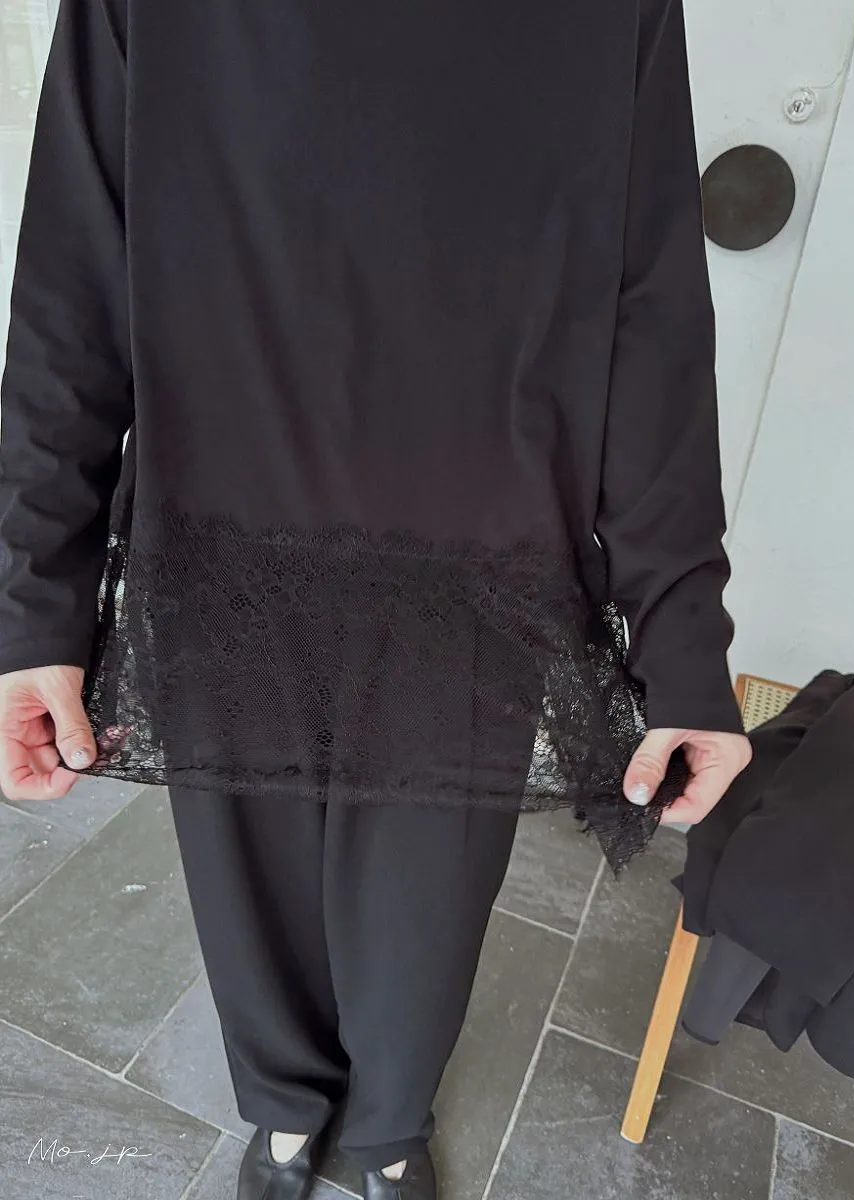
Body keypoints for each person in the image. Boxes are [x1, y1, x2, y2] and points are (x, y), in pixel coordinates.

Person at [0, 2, 751, 1198]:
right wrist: (35, 603)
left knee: (425, 897)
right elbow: (74, 281)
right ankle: (285, 1109)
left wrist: (685, 644)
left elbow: (651, 314)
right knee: (247, 883)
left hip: (482, 536)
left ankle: (390, 1122)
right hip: (226, 520)